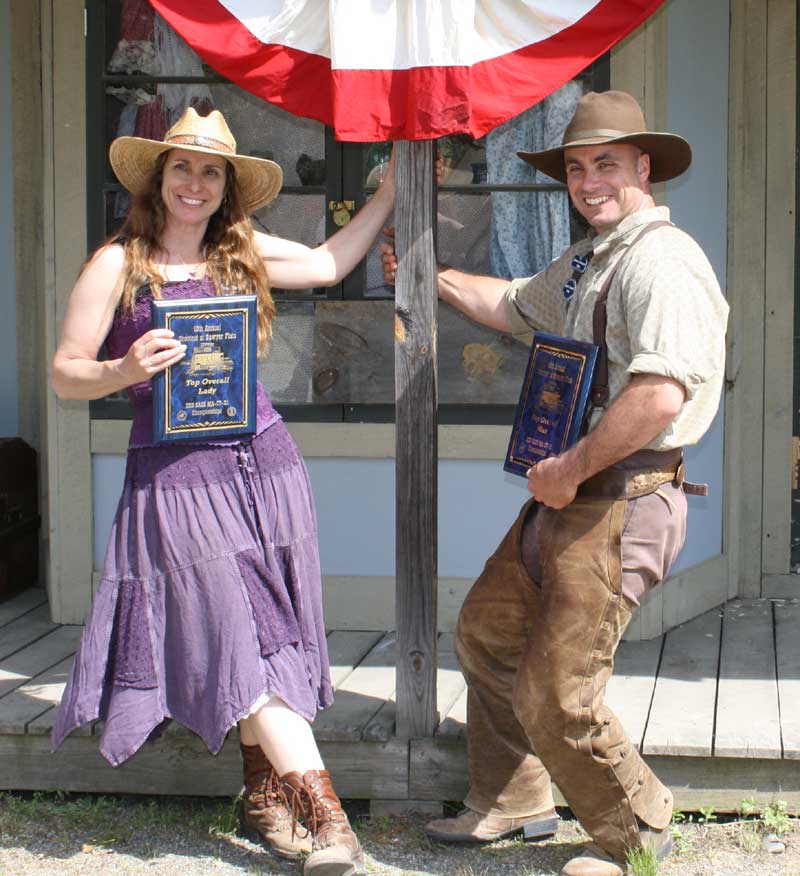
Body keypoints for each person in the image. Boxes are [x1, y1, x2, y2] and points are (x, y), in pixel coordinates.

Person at [380, 90, 728, 876]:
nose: (589, 179)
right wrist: (433, 274)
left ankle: (638, 835)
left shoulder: (662, 262)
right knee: (488, 633)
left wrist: (569, 469)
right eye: (576, 167)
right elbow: (510, 306)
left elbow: (659, 394)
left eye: (607, 163)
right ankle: (514, 800)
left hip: (624, 496)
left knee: (558, 689)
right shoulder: (590, 257)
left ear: (644, 166)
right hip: (571, 493)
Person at [51, 106, 396, 876]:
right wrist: (122, 371)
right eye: (183, 168)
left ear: (228, 188)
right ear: (158, 177)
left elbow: (329, 264)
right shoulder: (118, 264)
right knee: (236, 630)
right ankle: (330, 820)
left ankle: (265, 796)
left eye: (212, 172)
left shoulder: (240, 252)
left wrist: (391, 195)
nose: (196, 184)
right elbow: (64, 370)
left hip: (262, 465)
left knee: (265, 627)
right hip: (175, 480)